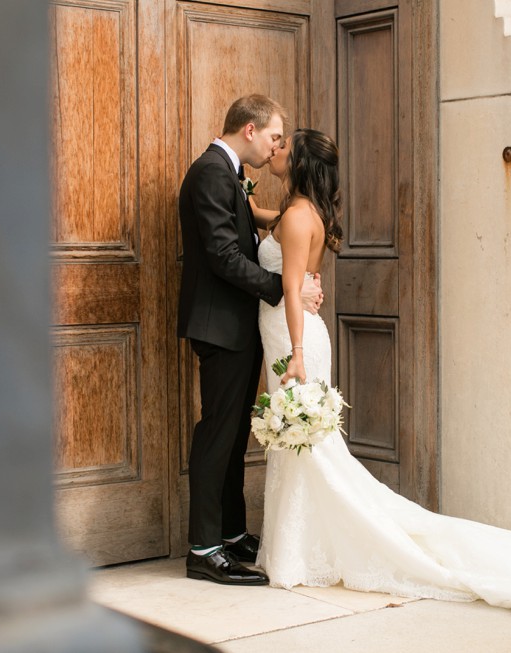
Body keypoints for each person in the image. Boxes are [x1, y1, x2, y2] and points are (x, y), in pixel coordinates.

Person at [253, 128, 511, 622]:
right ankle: (296, 549)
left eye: (285, 147)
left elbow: (293, 290)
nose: (277, 150)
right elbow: (288, 251)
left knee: (311, 454)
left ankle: (300, 553)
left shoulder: (296, 217)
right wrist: (250, 212)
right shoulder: (300, 211)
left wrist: (295, 353)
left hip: (294, 343)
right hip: (294, 337)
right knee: (307, 452)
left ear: (300, 165)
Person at [177, 95, 322, 586]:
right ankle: (203, 550)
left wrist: (268, 222)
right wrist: (284, 289)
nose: (278, 145)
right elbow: (221, 254)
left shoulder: (228, 172)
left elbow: (241, 225)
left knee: (235, 435)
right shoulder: (212, 172)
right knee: (217, 434)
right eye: (274, 136)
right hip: (220, 326)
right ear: (249, 130)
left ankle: (233, 534)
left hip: (237, 326)